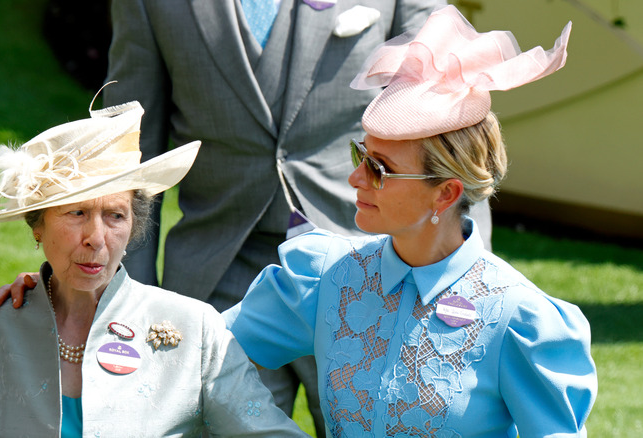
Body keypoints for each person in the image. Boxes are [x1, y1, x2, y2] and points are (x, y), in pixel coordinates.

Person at [101, 0, 497, 434]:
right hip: (218, 270)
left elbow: (455, 113)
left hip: (369, 271)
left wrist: (467, 280)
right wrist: (121, 295)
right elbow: (129, 153)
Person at [223, 5, 597, 436]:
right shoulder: (325, 277)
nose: (355, 178)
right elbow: (205, 352)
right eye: (359, 155)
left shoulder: (519, 319)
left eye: (379, 168)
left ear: (446, 193)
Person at [0, 100, 309, 437]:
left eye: (114, 215)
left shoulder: (195, 329)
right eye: (76, 213)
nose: (96, 237)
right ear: (37, 225)